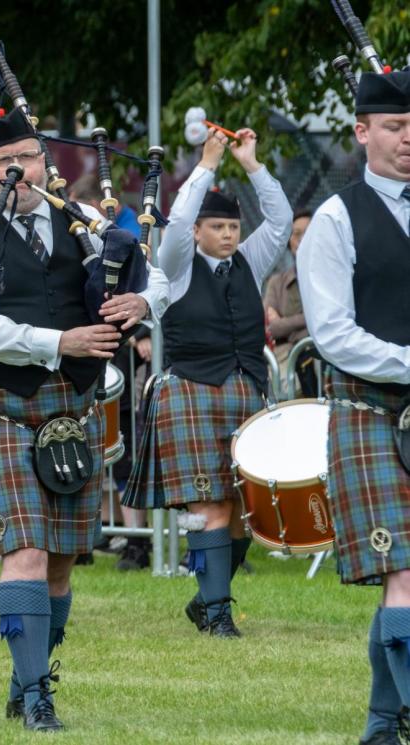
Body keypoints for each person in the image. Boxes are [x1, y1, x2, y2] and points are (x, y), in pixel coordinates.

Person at [0, 109, 168, 731]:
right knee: (26, 551)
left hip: (73, 408)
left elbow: (162, 274)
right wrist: (57, 342)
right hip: (1, 404)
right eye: (3, 163)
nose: (20, 171)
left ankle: (24, 682)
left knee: (64, 558)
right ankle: (40, 695)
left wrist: (141, 299)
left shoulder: (82, 222)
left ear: (47, 161)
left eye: (30, 157)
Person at [124, 127, 291, 639]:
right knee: (208, 503)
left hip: (244, 391)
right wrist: (208, 165)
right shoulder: (174, 267)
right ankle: (219, 613)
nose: (227, 235)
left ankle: (206, 599)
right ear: (198, 231)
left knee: (243, 506)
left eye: (231, 227)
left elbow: (281, 220)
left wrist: (253, 163)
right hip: (191, 390)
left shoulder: (251, 260)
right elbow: (173, 224)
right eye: (216, 227)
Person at [297, 68, 410, 745]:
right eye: (397, 127)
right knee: (405, 569)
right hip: (371, 413)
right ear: (363, 132)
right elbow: (333, 333)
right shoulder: (337, 219)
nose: (409, 140)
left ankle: (378, 724)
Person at [263, 209, 316, 396]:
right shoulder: (277, 282)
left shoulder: (334, 275)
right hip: (289, 365)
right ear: (288, 241)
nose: (303, 239)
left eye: (309, 232)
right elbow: (270, 329)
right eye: (297, 234)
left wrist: (288, 324)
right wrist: (309, 319)